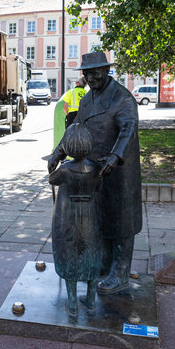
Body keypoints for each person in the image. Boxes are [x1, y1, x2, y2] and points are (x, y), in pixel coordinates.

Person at [47, 51, 142, 299]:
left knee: (121, 222)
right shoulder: (88, 99)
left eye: (96, 72)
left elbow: (128, 130)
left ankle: (120, 273)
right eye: (87, 73)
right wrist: (58, 154)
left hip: (119, 171)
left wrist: (115, 156)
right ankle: (104, 264)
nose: (91, 77)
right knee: (101, 218)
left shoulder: (122, 98)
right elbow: (75, 128)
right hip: (94, 171)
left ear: (107, 70)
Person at [48, 123, 102, 315]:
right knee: (91, 253)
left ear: (68, 146)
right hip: (90, 216)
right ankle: (91, 299)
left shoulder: (65, 170)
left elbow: (51, 179)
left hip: (67, 217)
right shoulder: (96, 169)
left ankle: (72, 303)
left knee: (68, 253)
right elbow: (98, 186)